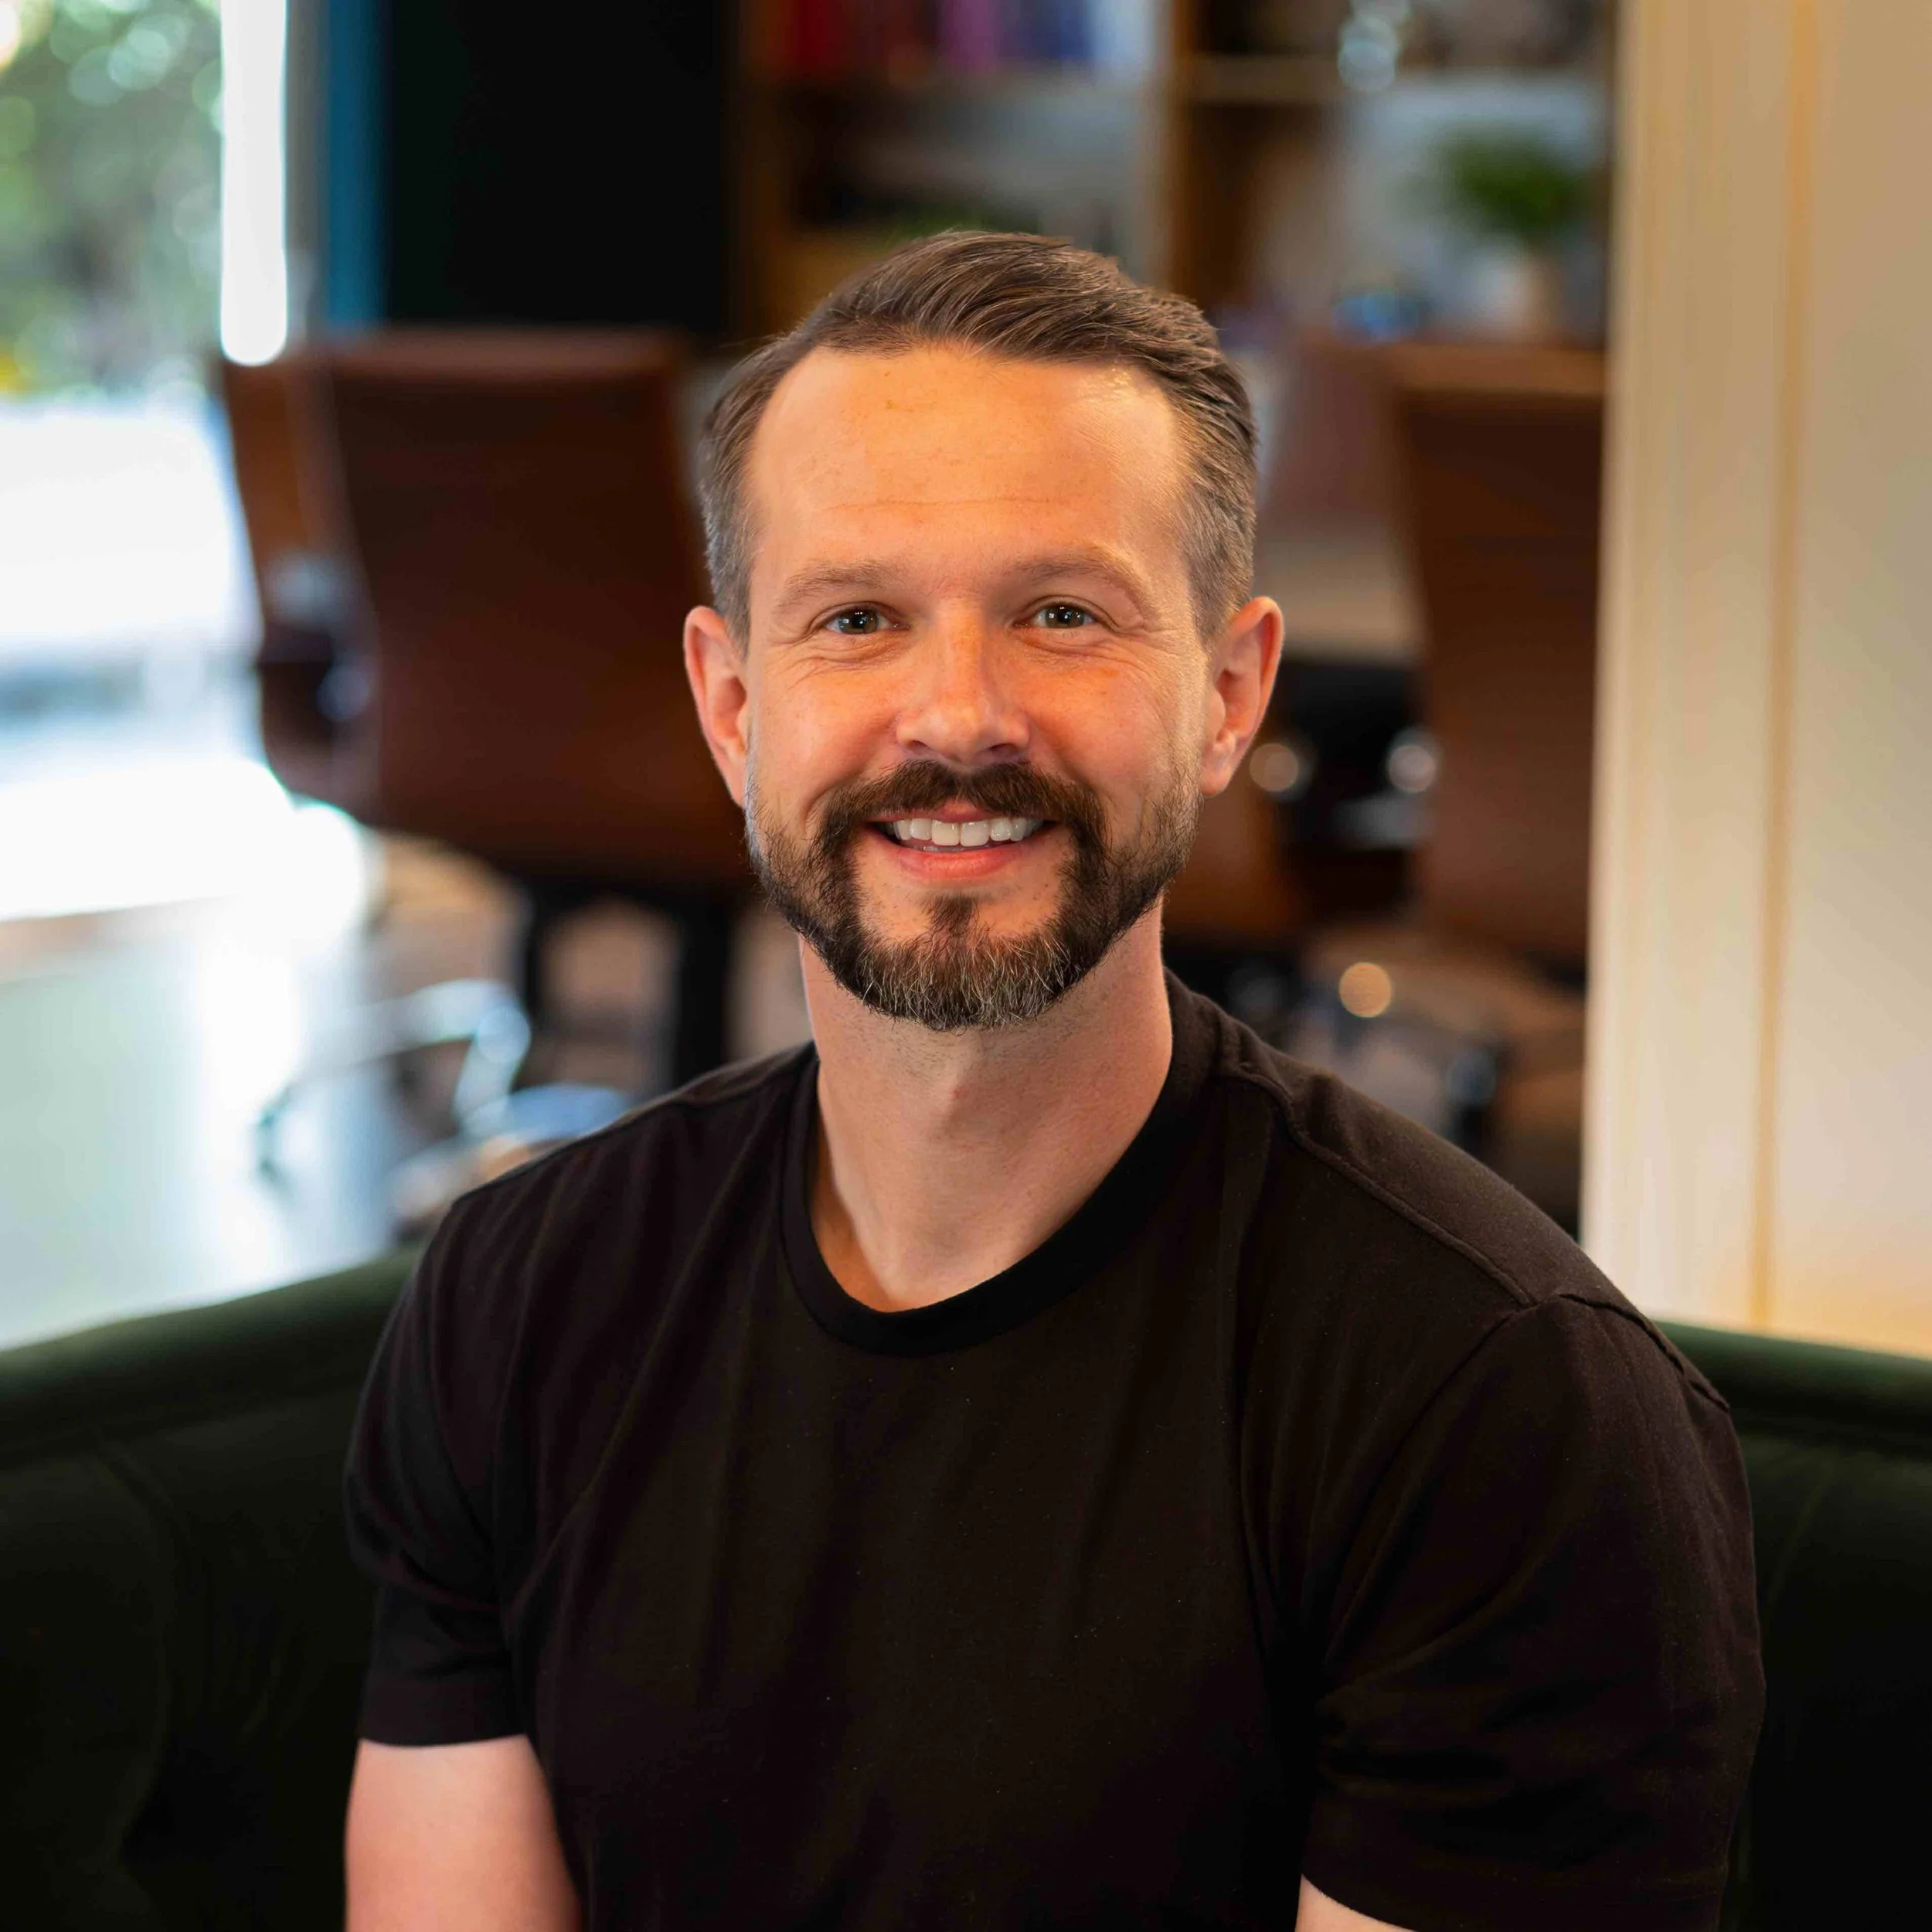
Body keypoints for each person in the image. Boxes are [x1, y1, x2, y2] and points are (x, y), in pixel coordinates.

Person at [342, 233, 1761, 1931]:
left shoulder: (1491, 1406)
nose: (957, 716)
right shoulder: (518, 1301)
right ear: (732, 705)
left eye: (1060, 614)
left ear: (1227, 693)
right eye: (856, 617)